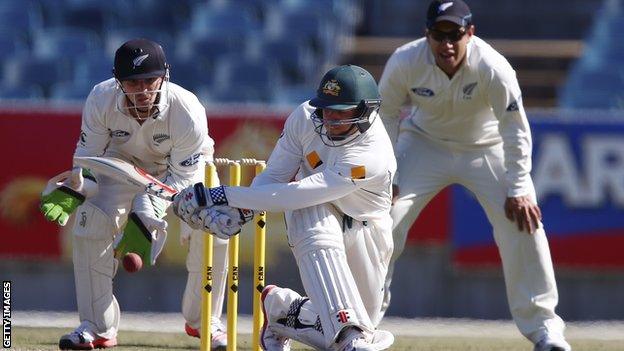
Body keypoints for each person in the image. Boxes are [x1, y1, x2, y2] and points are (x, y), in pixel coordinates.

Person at [377, 1, 571, 350]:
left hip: (485, 147)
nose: (447, 44)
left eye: (455, 35)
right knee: (380, 218)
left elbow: (514, 130)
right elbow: (387, 116)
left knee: (523, 222)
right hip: (423, 143)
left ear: (470, 33)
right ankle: (361, 323)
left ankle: (545, 330)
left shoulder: (494, 67)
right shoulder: (405, 61)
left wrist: (519, 188)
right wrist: (385, 175)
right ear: (427, 35)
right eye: (439, 34)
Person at [173, 64, 396, 351]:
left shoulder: (371, 153)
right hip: (314, 211)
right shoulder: (305, 117)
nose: (329, 118)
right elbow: (275, 177)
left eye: (341, 111)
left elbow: (295, 193)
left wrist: (218, 195)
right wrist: (241, 213)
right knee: (351, 334)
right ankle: (349, 333)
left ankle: (284, 311)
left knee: (362, 326)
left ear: (365, 112)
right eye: (326, 109)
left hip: (367, 226)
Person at [39, 38, 230, 350]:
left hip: (185, 174)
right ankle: (97, 326)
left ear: (164, 77)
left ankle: (204, 321)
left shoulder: (187, 109)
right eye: (132, 83)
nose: (142, 91)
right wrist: (77, 187)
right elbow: (88, 157)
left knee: (216, 227)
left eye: (149, 81)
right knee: (89, 222)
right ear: (118, 81)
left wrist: (145, 213)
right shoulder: (101, 98)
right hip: (122, 168)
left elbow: (182, 178)